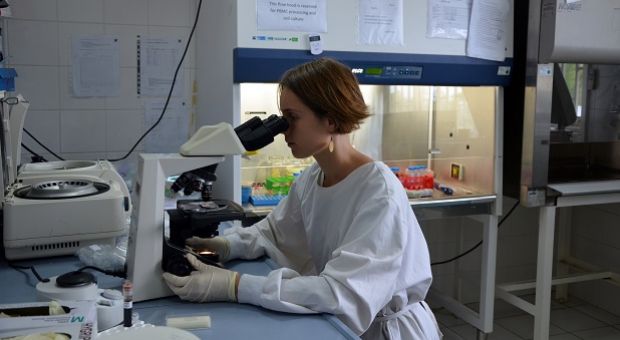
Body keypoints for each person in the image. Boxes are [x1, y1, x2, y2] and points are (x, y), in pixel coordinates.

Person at [163, 57, 442, 340]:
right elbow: (272, 233)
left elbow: (342, 293)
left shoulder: (378, 192)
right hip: (342, 326)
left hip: (387, 331)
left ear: (331, 119)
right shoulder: (313, 177)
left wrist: (236, 286)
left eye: (292, 118)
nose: (283, 129)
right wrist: (222, 246)